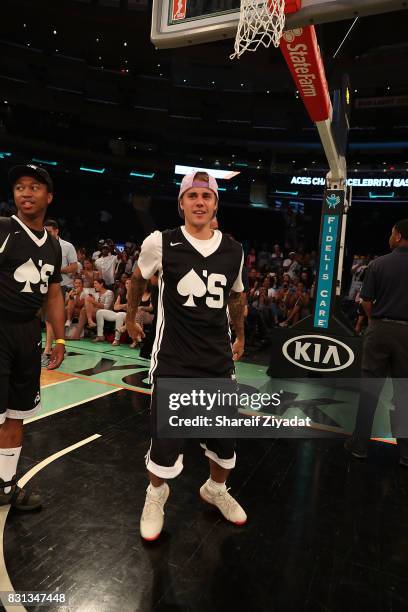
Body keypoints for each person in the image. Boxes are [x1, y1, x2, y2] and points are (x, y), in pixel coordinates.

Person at [126, 171, 246, 541]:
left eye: (205, 196)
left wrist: (240, 334)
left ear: (215, 205)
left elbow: (237, 296)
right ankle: (155, 495)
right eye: (191, 195)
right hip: (174, 359)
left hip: (217, 360)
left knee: (224, 443)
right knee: (166, 443)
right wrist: (130, 316)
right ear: (181, 204)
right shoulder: (159, 242)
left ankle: (215, 490)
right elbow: (137, 278)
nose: (199, 202)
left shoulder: (234, 250)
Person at [0, 164, 65, 510]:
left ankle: (5, 485)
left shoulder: (53, 246)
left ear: (49, 196)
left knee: (16, 412)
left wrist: (60, 339)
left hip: (28, 332)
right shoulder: (3, 230)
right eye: (20, 187)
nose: (26, 192)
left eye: (35, 187)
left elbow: (53, 295)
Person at [345, 220, 408, 462]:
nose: (390, 236)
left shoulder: (378, 264)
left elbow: (367, 300)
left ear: (399, 235)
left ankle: (359, 445)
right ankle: (406, 453)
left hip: (380, 328)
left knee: (370, 390)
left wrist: (375, 321)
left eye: (392, 232)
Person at [41, 219, 78, 366]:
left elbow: (74, 266)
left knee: (51, 319)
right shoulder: (41, 244)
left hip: (60, 285)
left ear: (57, 231)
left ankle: (48, 350)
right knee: (47, 319)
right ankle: (57, 347)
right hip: (43, 284)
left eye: (49, 231)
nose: (47, 234)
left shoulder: (67, 246)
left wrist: (57, 270)